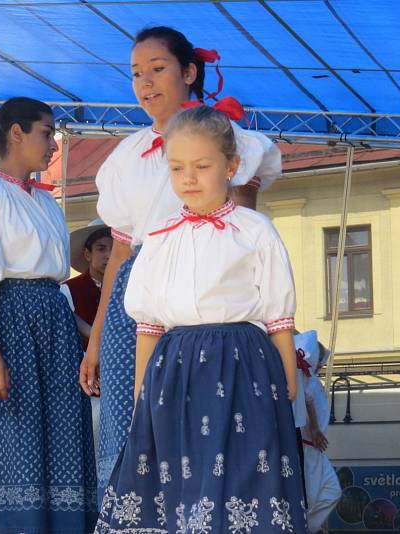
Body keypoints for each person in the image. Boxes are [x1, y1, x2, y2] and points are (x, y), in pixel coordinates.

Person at [81, 25, 283, 503]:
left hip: (205, 306)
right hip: (136, 307)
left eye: (157, 69)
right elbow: (121, 253)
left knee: (205, 432)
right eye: (135, 74)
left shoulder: (232, 139)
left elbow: (245, 231)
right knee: (134, 430)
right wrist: (95, 344)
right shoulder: (126, 156)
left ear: (189, 72)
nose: (145, 83)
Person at [94, 105, 306, 532]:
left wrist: (287, 389)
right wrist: (141, 400)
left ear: (230, 166)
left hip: (244, 369)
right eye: (176, 168)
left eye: (201, 166)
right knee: (180, 489)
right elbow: (149, 326)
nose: (188, 178)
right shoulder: (157, 238)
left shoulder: (255, 230)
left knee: (243, 484)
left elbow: (279, 318)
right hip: (175, 376)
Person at [0, 97, 97, 534]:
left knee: (65, 442)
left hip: (54, 327)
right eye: (46, 133)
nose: (53, 144)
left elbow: (57, 288)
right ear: (16, 132)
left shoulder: (47, 204)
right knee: (17, 443)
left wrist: (92, 340)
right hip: (7, 325)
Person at [294, 331, 342, 533]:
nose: (322, 363)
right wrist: (313, 428)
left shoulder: (310, 379)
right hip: (308, 447)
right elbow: (305, 400)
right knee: (311, 499)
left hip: (316, 449)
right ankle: (299, 528)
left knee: (333, 491)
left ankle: (306, 528)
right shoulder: (302, 379)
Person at [62, 220, 113, 349]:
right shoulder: (68, 290)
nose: (109, 255)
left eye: (114, 250)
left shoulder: (127, 289)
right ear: (87, 254)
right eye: (101, 249)